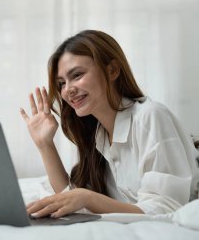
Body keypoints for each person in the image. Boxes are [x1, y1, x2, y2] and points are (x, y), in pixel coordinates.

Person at [20, 30, 199, 218]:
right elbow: (68, 198)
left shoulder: (150, 116)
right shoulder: (99, 133)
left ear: (112, 70)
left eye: (77, 75)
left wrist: (88, 198)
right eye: (62, 83)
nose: (68, 90)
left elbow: (166, 209)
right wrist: (45, 145)